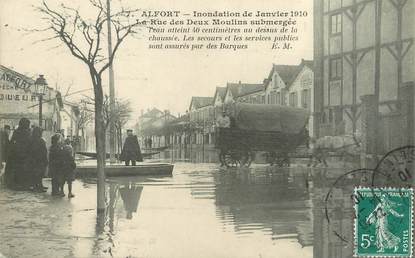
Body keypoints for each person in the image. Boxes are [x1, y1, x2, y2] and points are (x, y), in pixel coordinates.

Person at [5, 118, 32, 189]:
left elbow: (12, 142)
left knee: (18, 169)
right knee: (22, 169)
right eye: (28, 124)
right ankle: (21, 184)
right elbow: (29, 142)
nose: (29, 126)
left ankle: (17, 184)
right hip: (22, 154)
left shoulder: (17, 131)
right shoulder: (26, 132)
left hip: (17, 153)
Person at [28, 127, 48, 192]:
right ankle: (38, 187)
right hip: (40, 160)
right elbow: (44, 151)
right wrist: (45, 160)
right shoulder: (41, 140)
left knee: (35, 173)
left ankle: (37, 186)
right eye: (41, 132)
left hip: (33, 160)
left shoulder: (31, 139)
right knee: (39, 174)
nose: (42, 134)